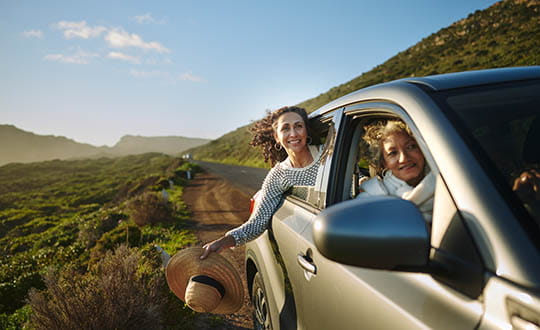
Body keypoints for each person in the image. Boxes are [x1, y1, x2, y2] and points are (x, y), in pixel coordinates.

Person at [200, 106, 321, 259]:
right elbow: (257, 222)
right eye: (285, 128)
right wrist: (223, 242)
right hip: (313, 240)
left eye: (298, 126)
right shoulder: (278, 174)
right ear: (276, 137)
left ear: (306, 130)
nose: (293, 134)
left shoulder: (329, 154)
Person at [357, 120, 434, 221]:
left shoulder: (449, 180)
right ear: (384, 163)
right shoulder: (371, 200)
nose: (404, 158)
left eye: (411, 147)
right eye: (393, 153)